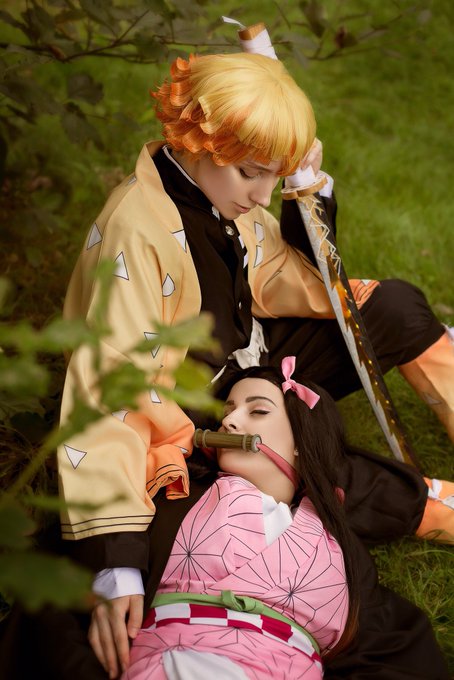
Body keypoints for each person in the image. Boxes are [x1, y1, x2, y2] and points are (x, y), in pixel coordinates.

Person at [49, 51, 453, 677]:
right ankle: (429, 508)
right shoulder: (138, 229)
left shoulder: (219, 191)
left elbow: (290, 273)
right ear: (199, 143)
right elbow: (110, 386)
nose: (263, 195)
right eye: (251, 174)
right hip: (187, 409)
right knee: (293, 458)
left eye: (274, 176)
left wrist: (307, 193)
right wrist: (116, 562)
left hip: (250, 359)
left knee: (393, 309)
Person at [119, 361, 448, 679]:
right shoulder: (174, 488)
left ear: (301, 442)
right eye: (225, 412)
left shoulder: (336, 542)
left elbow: (394, 649)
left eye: (258, 411)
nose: (229, 421)